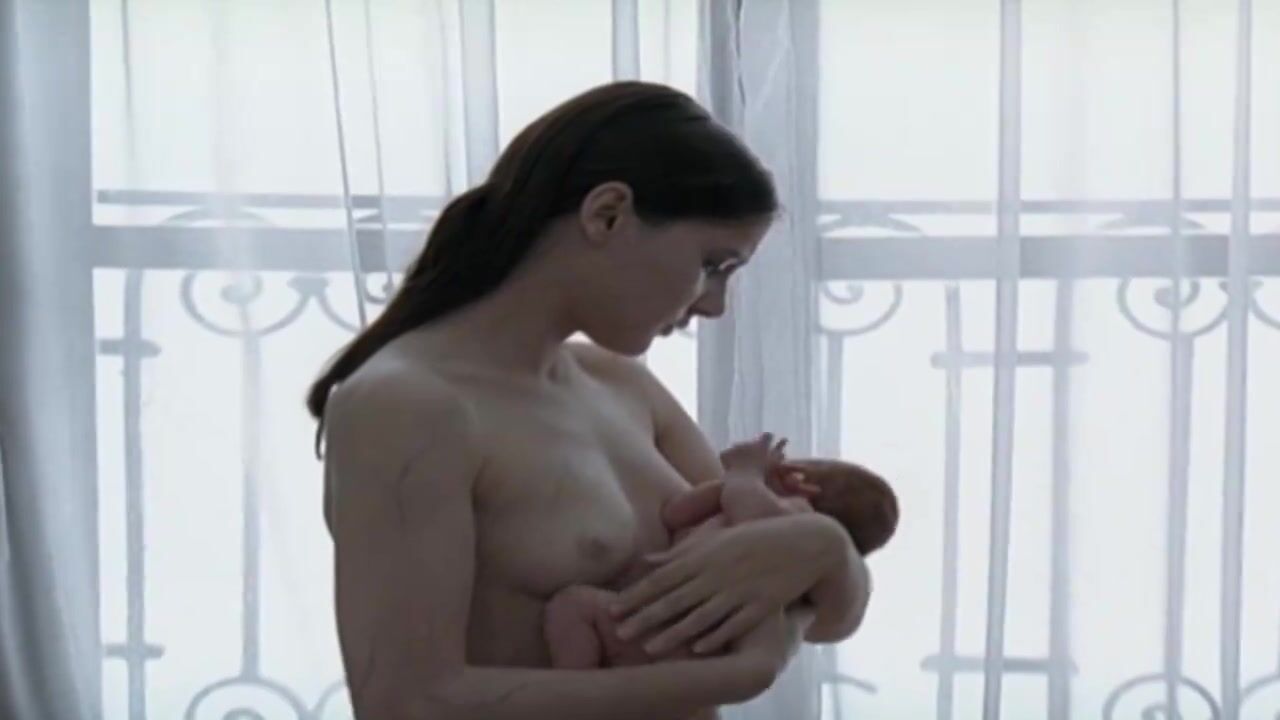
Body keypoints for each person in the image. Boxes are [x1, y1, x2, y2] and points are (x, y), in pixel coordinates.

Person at [308, 81, 873, 720]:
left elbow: (825, 613)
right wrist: (740, 674)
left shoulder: (620, 385)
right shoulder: (405, 406)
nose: (714, 305)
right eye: (713, 265)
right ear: (607, 214)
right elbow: (406, 703)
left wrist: (826, 545)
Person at [544, 433, 899, 669]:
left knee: (571, 605)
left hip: (675, 633)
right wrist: (725, 484)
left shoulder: (797, 520)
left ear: (801, 480)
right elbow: (675, 513)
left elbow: (752, 517)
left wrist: (747, 473)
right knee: (581, 609)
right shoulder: (738, 500)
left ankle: (576, 690)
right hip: (662, 629)